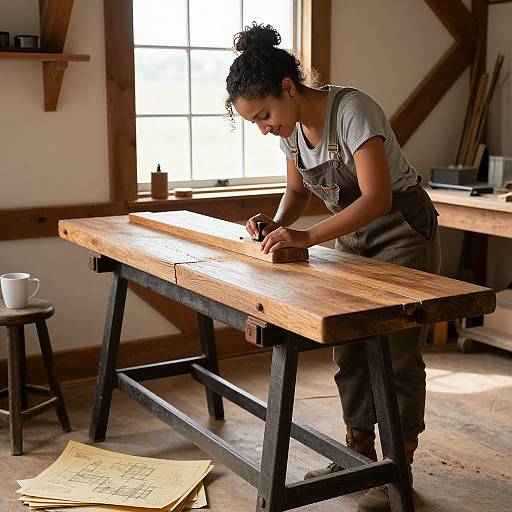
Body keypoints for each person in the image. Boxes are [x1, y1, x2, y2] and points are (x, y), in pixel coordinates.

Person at [225, 22, 441, 512]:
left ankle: (398, 469)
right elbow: (299, 193)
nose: (264, 128)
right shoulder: (291, 132)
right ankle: (358, 457)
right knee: (348, 348)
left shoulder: (353, 110)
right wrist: (274, 225)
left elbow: (377, 197)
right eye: (254, 122)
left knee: (397, 349)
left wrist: (305, 237)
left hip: (400, 230)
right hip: (350, 235)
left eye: (264, 115)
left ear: (287, 88)